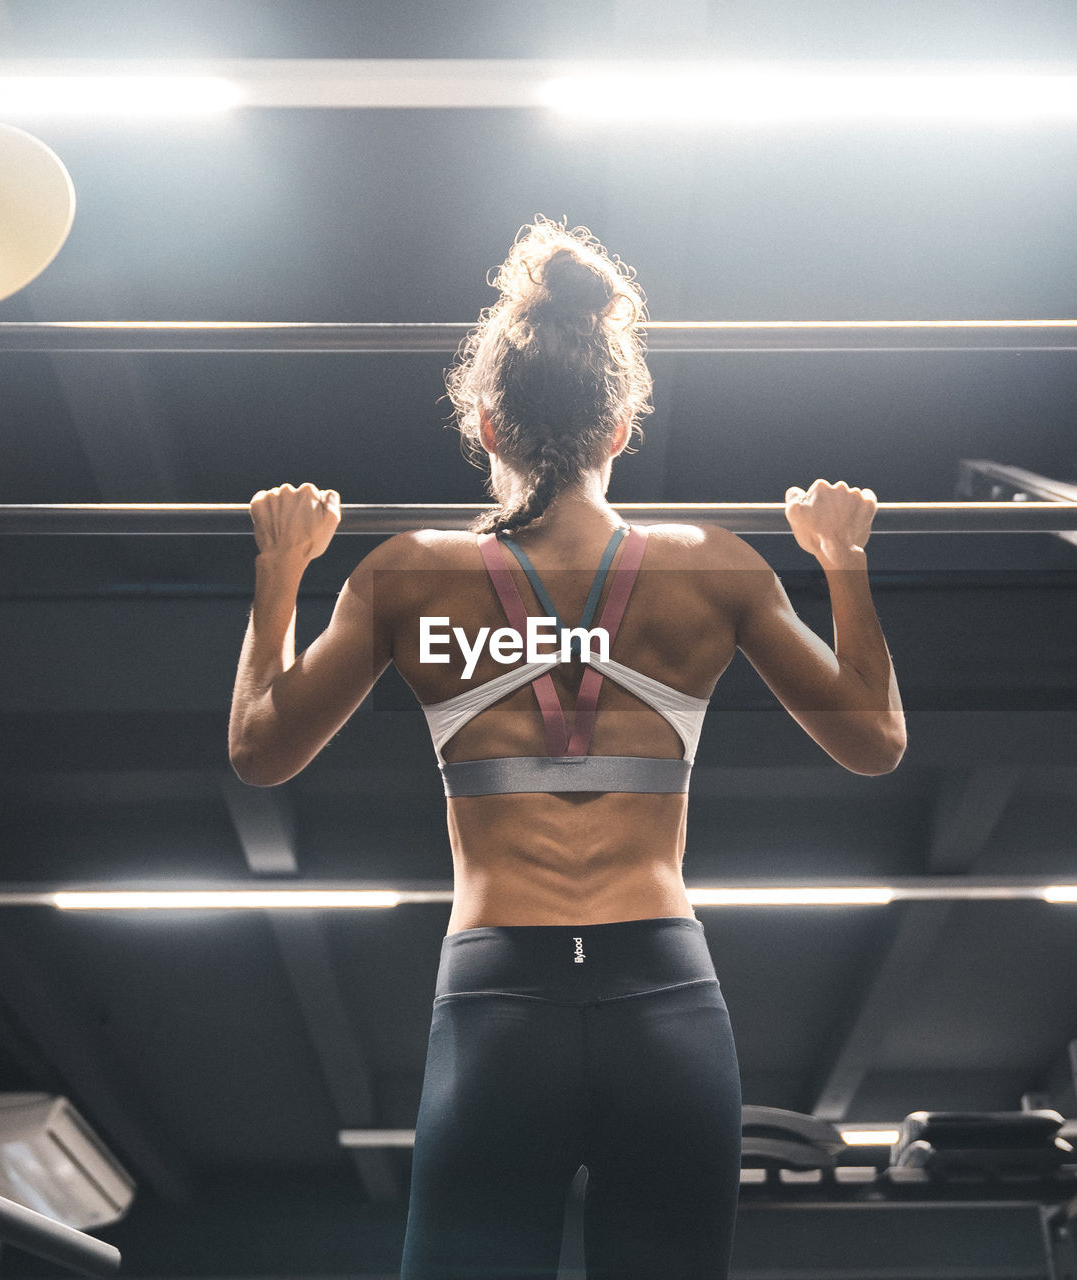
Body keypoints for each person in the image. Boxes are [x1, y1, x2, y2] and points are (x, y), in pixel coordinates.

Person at [228, 219, 906, 1280]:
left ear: (488, 425)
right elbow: (874, 741)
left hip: (501, 1002)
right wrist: (843, 561)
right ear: (625, 422)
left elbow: (261, 750)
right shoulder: (712, 566)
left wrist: (279, 575)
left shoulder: (407, 574)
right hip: (666, 998)